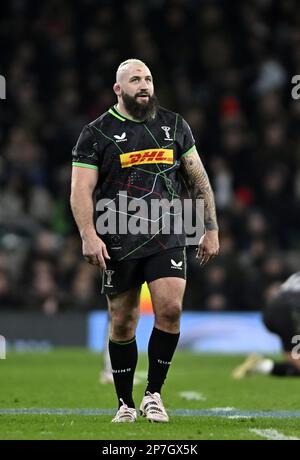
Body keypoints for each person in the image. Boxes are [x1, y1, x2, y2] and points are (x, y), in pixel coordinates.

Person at [70, 59, 219, 423]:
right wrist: (88, 235)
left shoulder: (174, 126)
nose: (144, 85)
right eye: (135, 79)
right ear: (118, 89)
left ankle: (154, 394)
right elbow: (80, 189)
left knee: (170, 309)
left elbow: (198, 177)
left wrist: (210, 228)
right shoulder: (97, 132)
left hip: (170, 227)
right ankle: (124, 403)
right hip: (117, 229)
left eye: (149, 78)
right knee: (123, 321)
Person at [232, 272, 300, 379]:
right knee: (297, 360)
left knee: (294, 361)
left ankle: (261, 365)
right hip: (290, 313)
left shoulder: (296, 275)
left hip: (271, 311)